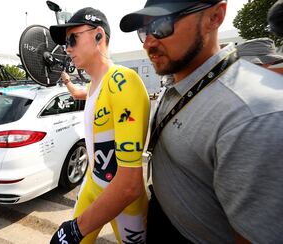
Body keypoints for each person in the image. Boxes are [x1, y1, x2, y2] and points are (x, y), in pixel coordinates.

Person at [120, 0, 283, 243]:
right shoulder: (182, 78)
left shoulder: (251, 114)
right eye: (144, 31)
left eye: (162, 25)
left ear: (215, 16)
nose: (148, 43)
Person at [49, 7, 150, 244]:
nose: (68, 48)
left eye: (72, 39)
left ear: (98, 35)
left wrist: (75, 229)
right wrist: (65, 78)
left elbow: (130, 186)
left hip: (123, 199)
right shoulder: (96, 84)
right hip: (93, 184)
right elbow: (78, 93)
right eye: (66, 43)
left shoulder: (122, 81)